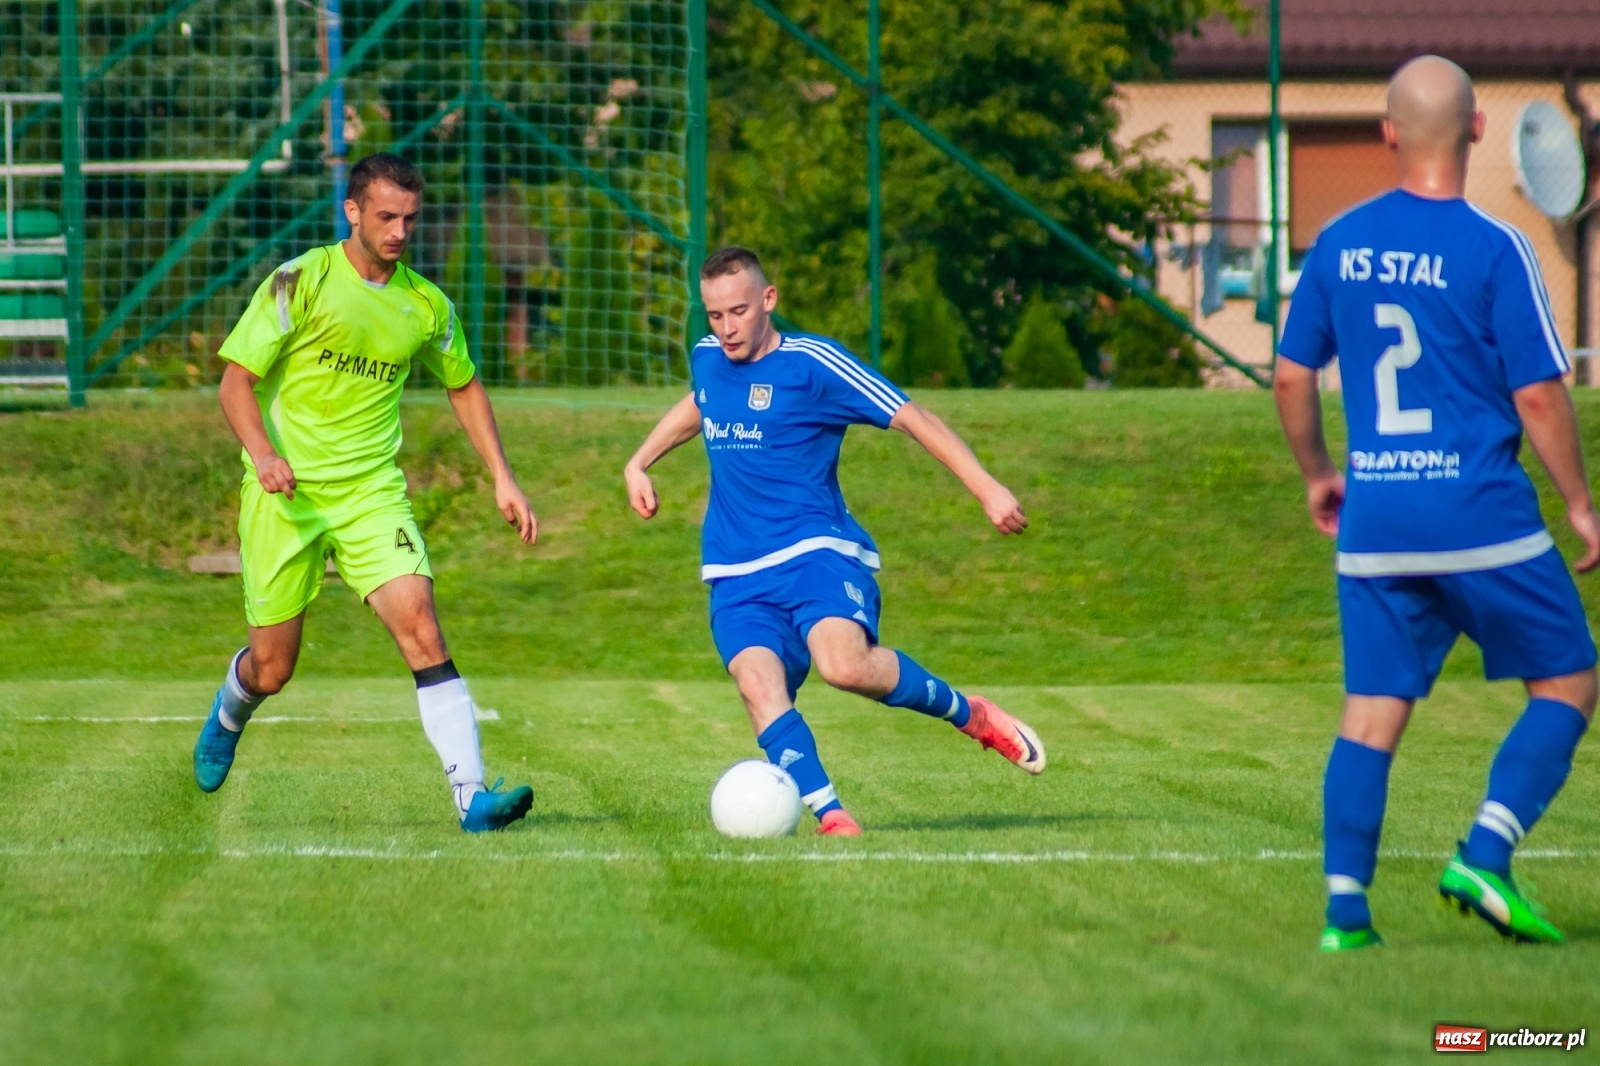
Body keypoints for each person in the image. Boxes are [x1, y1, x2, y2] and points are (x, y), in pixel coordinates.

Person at [1275, 56, 1598, 949]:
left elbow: (1291, 375)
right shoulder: (1497, 248)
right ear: (1481, 132)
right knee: (1570, 678)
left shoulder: (1337, 241)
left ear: (1386, 132)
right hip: (1481, 515)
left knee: (1370, 715)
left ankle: (1346, 916)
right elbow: (1539, 391)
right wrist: (1579, 502)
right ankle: (1486, 853)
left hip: (1378, 521)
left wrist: (1318, 473)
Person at [624, 246, 1045, 837]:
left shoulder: (814, 363)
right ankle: (832, 816)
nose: (726, 329)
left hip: (815, 554)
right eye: (714, 316)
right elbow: (702, 402)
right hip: (735, 573)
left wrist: (986, 488)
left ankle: (969, 714)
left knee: (844, 666)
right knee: (757, 685)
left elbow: (912, 416)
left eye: (738, 312)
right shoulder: (708, 358)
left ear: (768, 300)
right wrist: (639, 461)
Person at [191, 152, 538, 832]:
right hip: (284, 497)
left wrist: (502, 474)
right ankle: (232, 709)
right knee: (273, 667)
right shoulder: (302, 280)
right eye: (386, 216)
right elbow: (236, 379)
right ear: (352, 211)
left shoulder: (424, 305)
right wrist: (263, 453)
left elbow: (462, 383)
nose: (400, 231)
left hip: (371, 493)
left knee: (421, 623)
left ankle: (472, 797)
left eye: (410, 218)